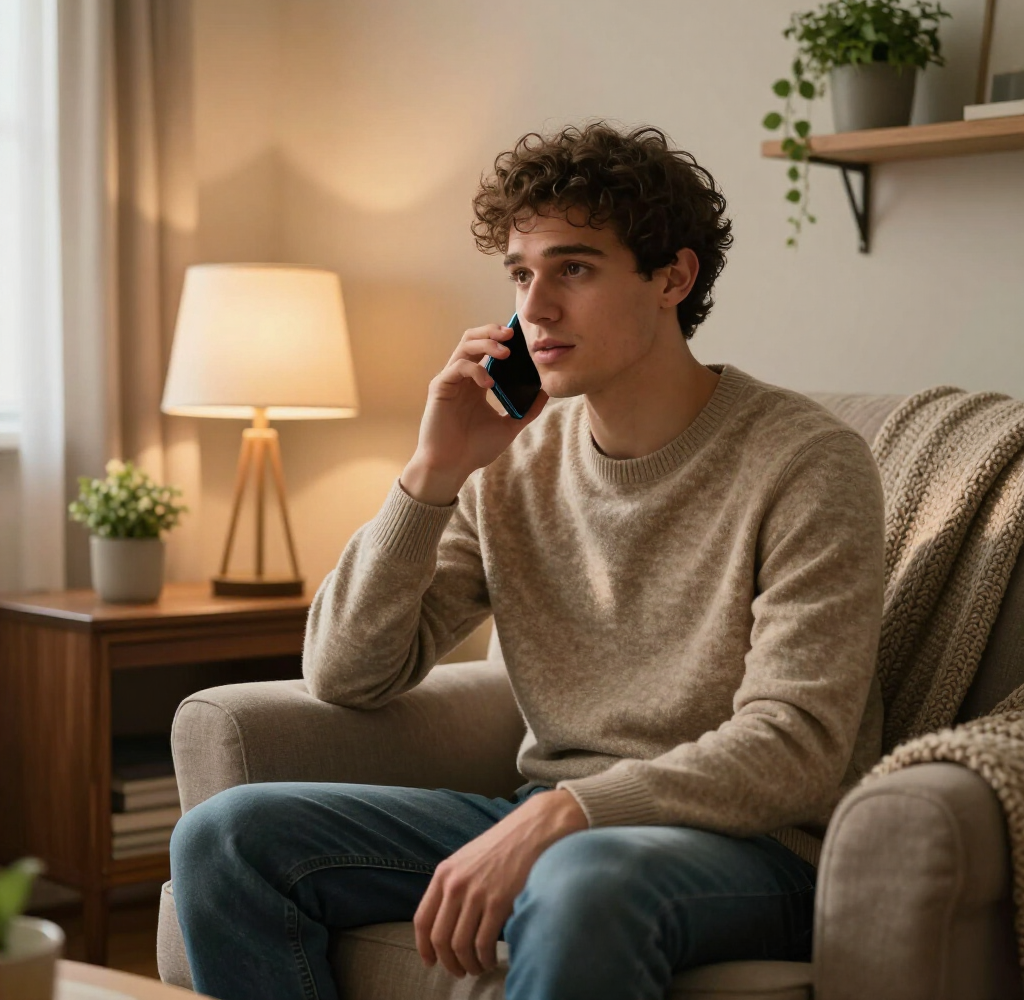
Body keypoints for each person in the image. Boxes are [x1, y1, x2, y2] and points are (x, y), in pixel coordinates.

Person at [170, 122, 886, 1000]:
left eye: (573, 269)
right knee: (226, 837)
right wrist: (431, 475)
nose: (534, 309)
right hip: (551, 822)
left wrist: (569, 813)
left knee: (580, 879)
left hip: (751, 847)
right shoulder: (513, 459)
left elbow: (797, 748)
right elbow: (346, 674)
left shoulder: (808, 462)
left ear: (673, 277)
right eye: (520, 274)